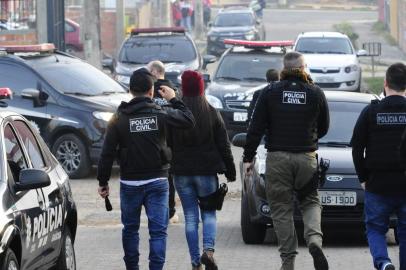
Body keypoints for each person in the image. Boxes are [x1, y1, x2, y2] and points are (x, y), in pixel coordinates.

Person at [97, 68, 195, 270]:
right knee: (158, 232)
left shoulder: (119, 117)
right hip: (158, 182)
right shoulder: (161, 113)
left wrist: (103, 182)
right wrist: (174, 98)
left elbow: (106, 152)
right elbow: (189, 120)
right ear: (152, 91)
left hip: (129, 183)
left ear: (131, 91)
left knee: (130, 230)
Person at [243, 52, 330, 270]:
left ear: (284, 67)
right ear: (304, 67)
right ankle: (314, 241)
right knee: (310, 201)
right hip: (306, 157)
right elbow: (325, 126)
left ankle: (288, 260)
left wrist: (248, 158)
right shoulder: (315, 92)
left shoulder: (269, 92)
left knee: (281, 209)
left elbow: (255, 128)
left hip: (277, 158)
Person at [169, 70, 236, 270]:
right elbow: (224, 145)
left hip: (181, 172)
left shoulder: (175, 114)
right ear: (201, 88)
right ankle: (208, 252)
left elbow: (168, 143)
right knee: (208, 214)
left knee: (190, 217)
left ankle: (195, 262)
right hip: (207, 172)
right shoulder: (212, 112)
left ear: (182, 89)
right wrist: (230, 170)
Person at [351, 63, 406, 270]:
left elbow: (357, 148)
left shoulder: (370, 111)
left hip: (378, 183)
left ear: (385, 83)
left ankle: (383, 263)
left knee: (375, 228)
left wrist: (363, 177)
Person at [147, 60, 179, 223]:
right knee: (170, 177)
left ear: (154, 71)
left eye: (148, 71)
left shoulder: (151, 91)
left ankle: (157, 211)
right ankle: (171, 210)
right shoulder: (174, 90)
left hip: (155, 140)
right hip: (172, 141)